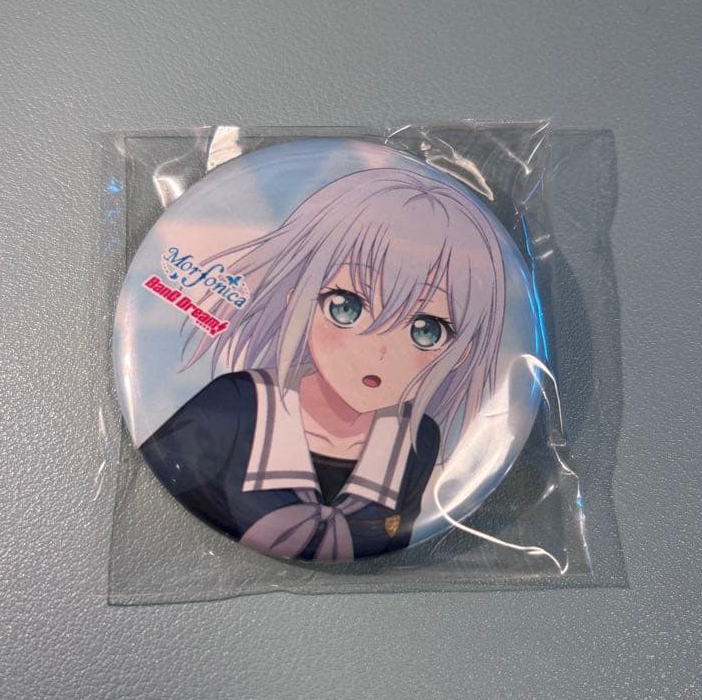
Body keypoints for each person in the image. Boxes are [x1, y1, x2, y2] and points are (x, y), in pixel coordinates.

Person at [142, 166, 506, 560]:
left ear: (461, 351)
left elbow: (397, 543)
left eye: (426, 330)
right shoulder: (233, 408)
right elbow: (154, 503)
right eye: (346, 307)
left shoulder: (418, 441)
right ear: (296, 301)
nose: (378, 352)